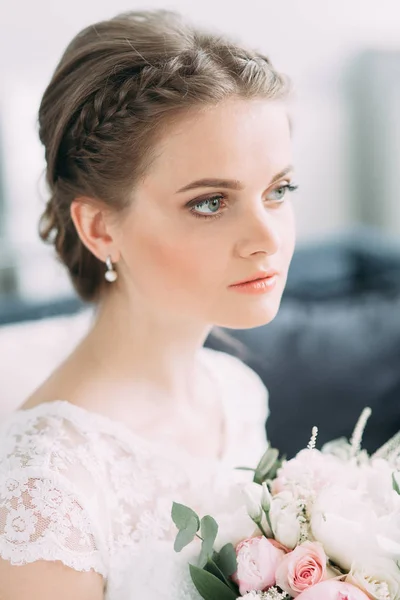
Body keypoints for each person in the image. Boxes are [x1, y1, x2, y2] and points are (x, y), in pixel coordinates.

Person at [0, 9, 296, 599]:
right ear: (100, 228)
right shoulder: (46, 489)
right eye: (211, 202)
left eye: (279, 190)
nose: (267, 238)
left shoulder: (235, 392)